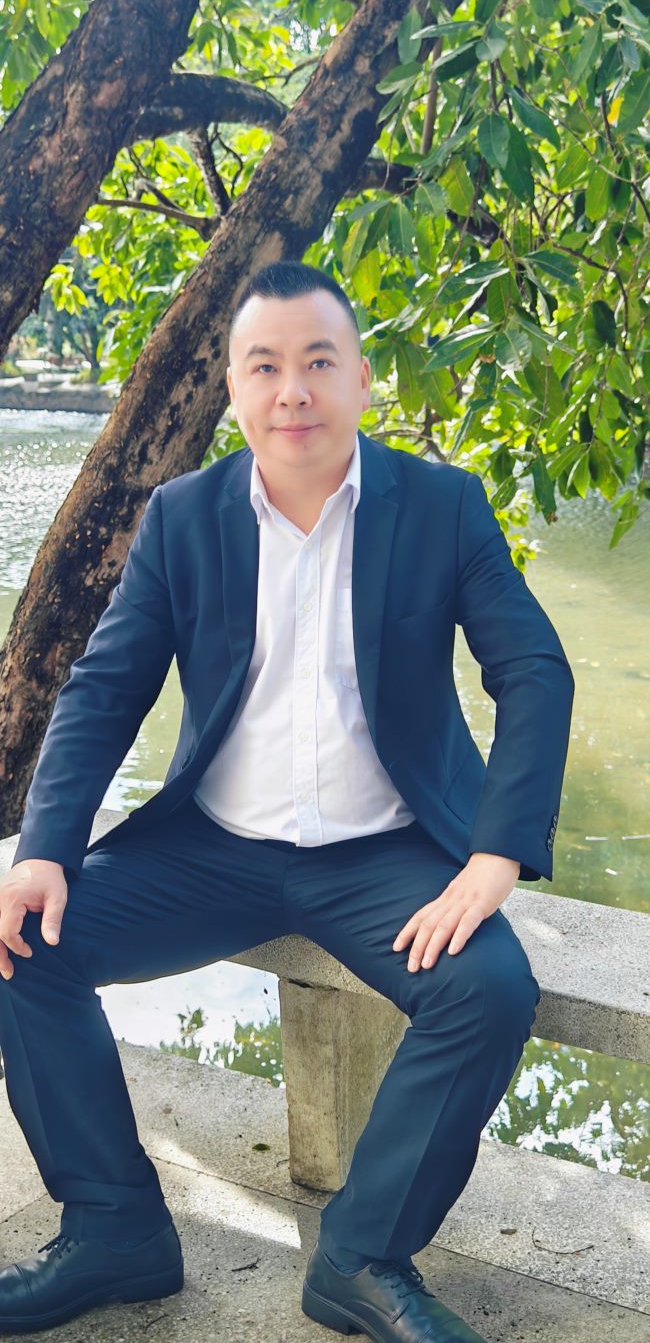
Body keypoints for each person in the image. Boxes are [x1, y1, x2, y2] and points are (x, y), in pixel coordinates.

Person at [0, 259, 574, 1341]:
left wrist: (494, 856)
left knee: (489, 987)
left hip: (384, 853)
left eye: (318, 361)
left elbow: (534, 671)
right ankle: (115, 1227)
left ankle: (360, 1257)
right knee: (24, 939)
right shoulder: (182, 517)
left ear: (360, 378)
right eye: (263, 366)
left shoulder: (441, 506)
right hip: (213, 848)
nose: (292, 390)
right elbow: (105, 687)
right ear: (232, 386)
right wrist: (43, 848)